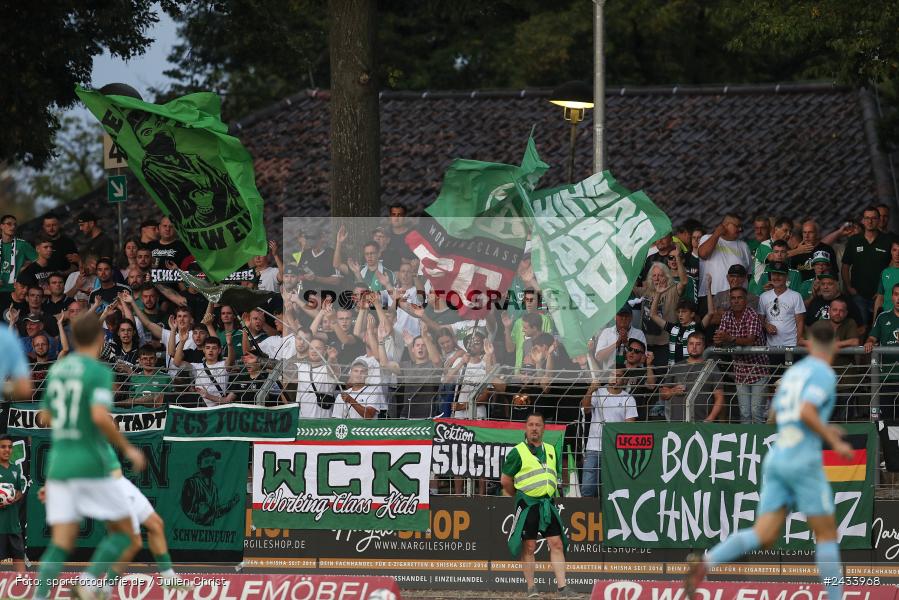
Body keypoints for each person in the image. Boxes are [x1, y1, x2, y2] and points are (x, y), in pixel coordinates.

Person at [685, 321, 854, 600]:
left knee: (763, 534)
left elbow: (775, 414)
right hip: (802, 459)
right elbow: (807, 410)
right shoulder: (823, 372)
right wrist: (833, 440)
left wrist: (818, 427)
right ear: (835, 345)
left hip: (778, 457)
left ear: (808, 343)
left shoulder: (794, 372)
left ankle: (706, 562)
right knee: (826, 535)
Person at [33, 313, 147, 600]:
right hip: (89, 462)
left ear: (73, 339)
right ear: (99, 339)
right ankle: (88, 581)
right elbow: (99, 416)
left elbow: (44, 416)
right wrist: (128, 448)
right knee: (126, 534)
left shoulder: (58, 369)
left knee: (60, 544)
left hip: (59, 463)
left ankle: (40, 596)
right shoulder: (98, 372)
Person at [500, 413, 576, 599]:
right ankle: (531, 588)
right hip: (528, 504)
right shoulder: (517, 452)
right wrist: (518, 496)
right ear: (525, 428)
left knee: (556, 543)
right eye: (531, 425)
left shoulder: (551, 449)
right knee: (529, 546)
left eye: (538, 425)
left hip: (547, 504)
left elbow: (553, 474)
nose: (534, 428)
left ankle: (563, 588)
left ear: (544, 428)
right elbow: (506, 480)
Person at [714, 287, 769, 423]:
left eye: (739, 298)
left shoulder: (752, 315)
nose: (736, 301)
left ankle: (759, 437)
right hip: (740, 371)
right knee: (744, 413)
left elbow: (750, 341)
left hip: (758, 369)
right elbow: (720, 339)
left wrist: (729, 339)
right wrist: (718, 341)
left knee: (756, 412)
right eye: (733, 298)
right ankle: (748, 438)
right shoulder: (727, 316)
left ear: (745, 300)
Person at [581, 370, 637, 497]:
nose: (615, 378)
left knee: (611, 487)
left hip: (615, 450)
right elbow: (585, 409)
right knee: (587, 487)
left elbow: (629, 427)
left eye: (619, 376)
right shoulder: (598, 393)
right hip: (594, 447)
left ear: (624, 379)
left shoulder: (628, 399)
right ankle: (587, 509)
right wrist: (590, 390)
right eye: (612, 375)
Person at [842, 206, 893, 327]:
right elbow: (845, 266)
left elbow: (892, 267)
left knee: (881, 328)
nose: (870, 221)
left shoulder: (888, 240)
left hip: (882, 295)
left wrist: (884, 290)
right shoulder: (854, 240)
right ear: (863, 220)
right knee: (861, 328)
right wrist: (849, 287)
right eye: (867, 218)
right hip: (859, 295)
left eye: (873, 218)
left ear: (878, 220)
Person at [660, 332, 726, 422]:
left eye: (698, 344)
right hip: (676, 422)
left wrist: (710, 419)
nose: (694, 347)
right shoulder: (676, 366)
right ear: (687, 346)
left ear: (704, 347)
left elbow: (719, 397)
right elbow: (663, 394)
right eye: (691, 344)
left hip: (701, 423)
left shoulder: (712, 367)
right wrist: (672, 391)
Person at [865, 283, 899, 421]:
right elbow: (872, 337)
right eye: (896, 294)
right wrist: (869, 342)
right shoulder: (883, 317)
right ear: (891, 297)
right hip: (887, 377)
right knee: (887, 418)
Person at [697, 214, 752, 297]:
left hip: (737, 297)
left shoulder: (744, 246)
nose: (740, 229)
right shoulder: (707, 238)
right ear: (725, 226)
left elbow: (749, 274)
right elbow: (703, 254)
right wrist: (716, 234)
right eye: (737, 226)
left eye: (741, 226)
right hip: (711, 295)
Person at [758, 262, 806, 350]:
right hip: (770, 347)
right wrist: (766, 325)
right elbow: (759, 320)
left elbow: (800, 322)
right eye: (774, 274)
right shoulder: (763, 296)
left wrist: (797, 344)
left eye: (780, 274)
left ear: (787, 277)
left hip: (791, 345)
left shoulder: (796, 296)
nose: (776, 277)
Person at [648, 297, 701, 366]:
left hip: (691, 367)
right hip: (673, 368)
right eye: (679, 312)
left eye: (684, 311)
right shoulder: (673, 328)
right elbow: (652, 315)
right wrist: (658, 294)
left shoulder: (698, 328)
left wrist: (709, 291)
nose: (680, 315)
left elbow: (710, 313)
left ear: (692, 314)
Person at [592, 306, 647, 372]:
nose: (624, 318)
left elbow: (643, 359)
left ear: (631, 318)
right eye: (621, 315)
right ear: (615, 317)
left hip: (632, 374)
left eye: (626, 316)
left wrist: (626, 343)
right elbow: (599, 357)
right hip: (610, 374)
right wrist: (617, 343)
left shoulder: (639, 333)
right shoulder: (606, 332)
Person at [0, 435, 26, 573]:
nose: (7, 450)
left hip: (13, 525)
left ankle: (22, 584)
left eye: (10, 447)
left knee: (19, 560)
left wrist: (13, 497)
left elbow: (19, 491)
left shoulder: (16, 469)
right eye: (3, 447)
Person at [0, 215, 36, 299]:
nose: (13, 227)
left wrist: (26, 267)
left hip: (15, 292)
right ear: (1, 226)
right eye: (9, 224)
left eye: (15, 225)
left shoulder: (23, 244)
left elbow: (39, 261)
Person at [873, 241, 899, 319]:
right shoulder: (885, 272)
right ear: (891, 251)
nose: (897, 254)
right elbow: (880, 298)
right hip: (886, 317)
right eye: (894, 250)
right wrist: (875, 321)